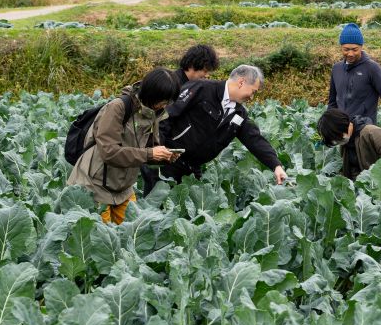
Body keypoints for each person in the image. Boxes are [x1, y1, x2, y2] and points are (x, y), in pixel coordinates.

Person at [142, 64, 288, 195]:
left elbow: (254, 139)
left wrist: (276, 165)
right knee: (155, 209)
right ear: (241, 82)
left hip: (192, 169)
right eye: (253, 91)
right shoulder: (202, 88)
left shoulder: (239, 113)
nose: (252, 97)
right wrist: (158, 148)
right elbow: (166, 116)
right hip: (168, 160)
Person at [67, 68, 179, 224]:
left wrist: (163, 156)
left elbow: (146, 150)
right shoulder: (118, 107)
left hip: (123, 188)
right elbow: (109, 152)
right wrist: (149, 154)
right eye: (164, 100)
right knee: (101, 241)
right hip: (94, 185)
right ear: (152, 94)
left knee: (132, 234)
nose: (165, 105)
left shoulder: (153, 113)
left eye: (169, 101)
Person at [328, 23, 381, 147]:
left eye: (355, 49)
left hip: (365, 135)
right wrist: (328, 129)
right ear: (341, 47)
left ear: (361, 47)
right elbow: (332, 103)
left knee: (366, 166)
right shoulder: (336, 69)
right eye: (346, 49)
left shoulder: (372, 68)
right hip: (343, 137)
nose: (350, 54)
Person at [317, 108, 381, 184]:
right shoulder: (346, 144)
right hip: (373, 187)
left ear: (341, 126)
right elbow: (353, 171)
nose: (337, 143)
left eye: (337, 139)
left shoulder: (371, 132)